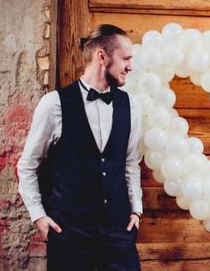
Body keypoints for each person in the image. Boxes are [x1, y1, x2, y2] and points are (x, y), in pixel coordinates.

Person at [17, 24, 143, 271]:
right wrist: (38, 216)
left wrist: (136, 210)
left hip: (118, 232)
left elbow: (130, 164)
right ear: (102, 57)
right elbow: (27, 165)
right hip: (69, 233)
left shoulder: (132, 106)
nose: (131, 66)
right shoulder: (54, 104)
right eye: (126, 59)